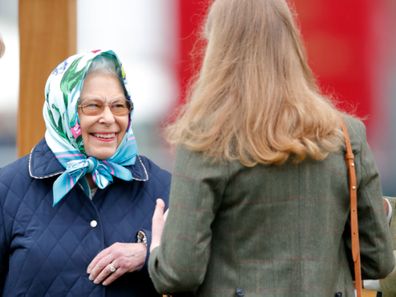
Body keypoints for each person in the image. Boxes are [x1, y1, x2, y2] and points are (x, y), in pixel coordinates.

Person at [147, 0, 395, 296]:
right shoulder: (345, 134)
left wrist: (158, 247)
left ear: (217, 50)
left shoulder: (205, 139)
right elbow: (377, 260)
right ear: (291, 45)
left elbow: (180, 273)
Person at [0, 49, 170, 296]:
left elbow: (205, 267)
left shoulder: (163, 188)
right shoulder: (8, 189)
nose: (109, 118)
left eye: (119, 106)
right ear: (63, 108)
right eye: (93, 106)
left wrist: (149, 255)